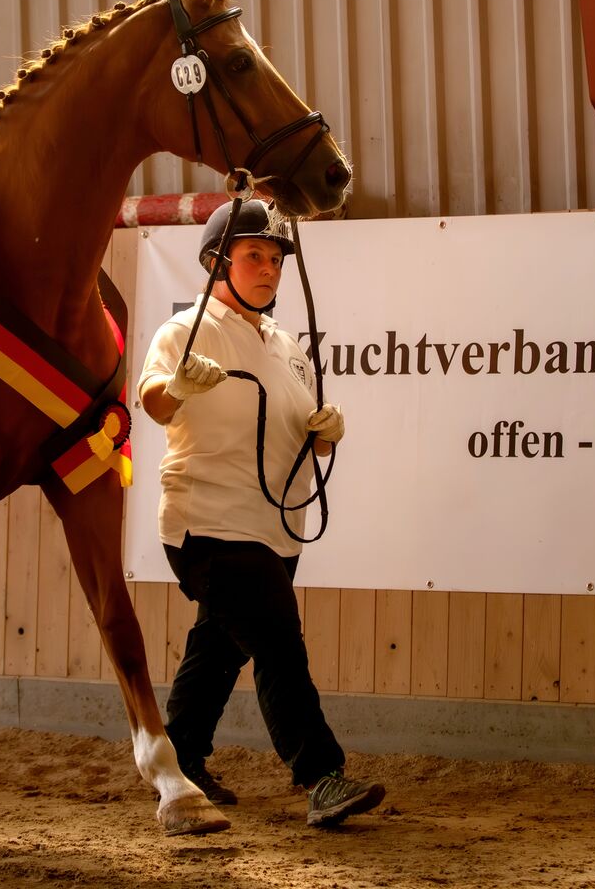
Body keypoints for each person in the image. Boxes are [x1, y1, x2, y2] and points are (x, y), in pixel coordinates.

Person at [138, 198, 385, 830]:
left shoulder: (285, 343)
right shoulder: (185, 330)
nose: (270, 268)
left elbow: (302, 428)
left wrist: (325, 433)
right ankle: (321, 775)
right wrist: (179, 387)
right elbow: (154, 402)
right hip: (210, 522)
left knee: (219, 647)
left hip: (276, 528)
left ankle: (178, 761)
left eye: (275, 258)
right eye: (255, 255)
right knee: (278, 642)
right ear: (217, 261)